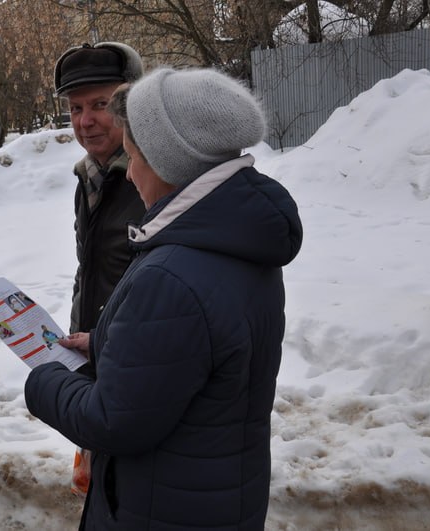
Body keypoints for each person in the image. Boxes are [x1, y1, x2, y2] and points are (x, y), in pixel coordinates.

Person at [25, 67, 303, 530]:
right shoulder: (239, 242)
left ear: (167, 161)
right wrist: (109, 345)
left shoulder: (173, 274)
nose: (130, 174)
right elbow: (205, 348)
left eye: (133, 156)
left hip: (160, 508)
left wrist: (43, 379)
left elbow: (113, 422)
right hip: (217, 492)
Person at [54, 42, 147, 339]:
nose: (85, 121)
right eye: (75, 108)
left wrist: (100, 343)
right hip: (97, 355)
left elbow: (168, 294)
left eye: (100, 105)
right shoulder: (88, 179)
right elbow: (88, 272)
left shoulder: (155, 179)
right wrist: (78, 338)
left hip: (138, 358)